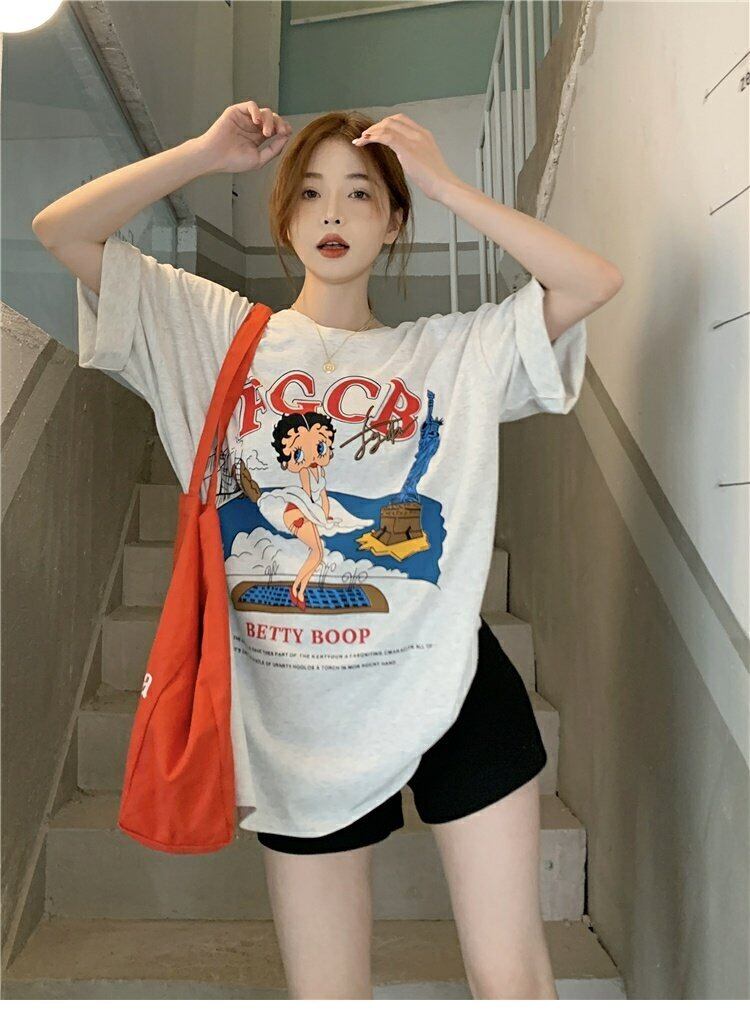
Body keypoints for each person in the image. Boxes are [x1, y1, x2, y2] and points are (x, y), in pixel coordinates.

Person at [32, 100, 623, 1000]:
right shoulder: (213, 333)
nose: (334, 213)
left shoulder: (448, 353)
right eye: (310, 193)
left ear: (393, 222)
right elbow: (61, 229)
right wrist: (202, 153)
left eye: (361, 194)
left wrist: (446, 185)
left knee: (513, 982)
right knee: (327, 996)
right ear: (285, 219)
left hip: (451, 683)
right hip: (297, 719)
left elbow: (591, 282)